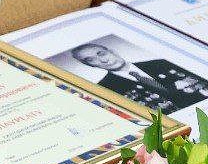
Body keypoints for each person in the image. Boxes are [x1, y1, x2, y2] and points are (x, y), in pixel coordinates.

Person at [71, 42, 208, 113]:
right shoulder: (105, 90)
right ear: (89, 65)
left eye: (101, 53)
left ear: (111, 51)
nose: (103, 60)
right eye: (91, 59)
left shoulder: (161, 63)